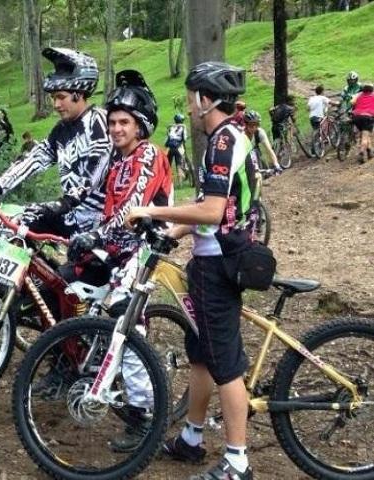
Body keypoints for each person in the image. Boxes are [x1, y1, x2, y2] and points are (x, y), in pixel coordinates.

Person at [125, 61, 255, 480]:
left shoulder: (221, 142)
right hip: (209, 259)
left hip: (220, 265)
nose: (188, 103)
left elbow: (213, 211)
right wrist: (174, 231)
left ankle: (238, 461)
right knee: (200, 355)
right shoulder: (224, 136)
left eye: (190, 95)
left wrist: (152, 209)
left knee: (226, 365)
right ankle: (192, 439)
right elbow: (208, 208)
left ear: (205, 99)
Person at [67, 69, 173, 452]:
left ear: (141, 126)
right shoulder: (116, 157)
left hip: (144, 249)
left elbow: (134, 206)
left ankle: (143, 415)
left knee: (124, 323)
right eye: (111, 122)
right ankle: (76, 367)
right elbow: (89, 193)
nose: (115, 128)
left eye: (123, 122)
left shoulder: (149, 155)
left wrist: (95, 236)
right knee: (72, 286)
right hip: (116, 246)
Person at [0, 47, 112, 238]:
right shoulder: (61, 129)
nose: (56, 105)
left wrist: (64, 203)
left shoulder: (100, 122)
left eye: (61, 97)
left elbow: (97, 169)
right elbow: (34, 159)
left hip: (98, 221)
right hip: (69, 214)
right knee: (11, 227)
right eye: (53, 98)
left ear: (79, 94)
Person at [351, 82, 374, 163]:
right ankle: (361, 152)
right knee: (365, 136)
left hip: (356, 117)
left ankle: (370, 151)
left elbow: (352, 102)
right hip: (367, 117)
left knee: (365, 133)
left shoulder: (360, 94)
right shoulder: (373, 95)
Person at [165, 113, 189, 182]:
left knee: (168, 164)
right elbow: (184, 138)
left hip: (170, 147)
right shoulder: (183, 127)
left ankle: (168, 180)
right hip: (178, 147)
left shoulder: (171, 127)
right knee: (179, 163)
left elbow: (167, 139)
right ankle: (180, 181)